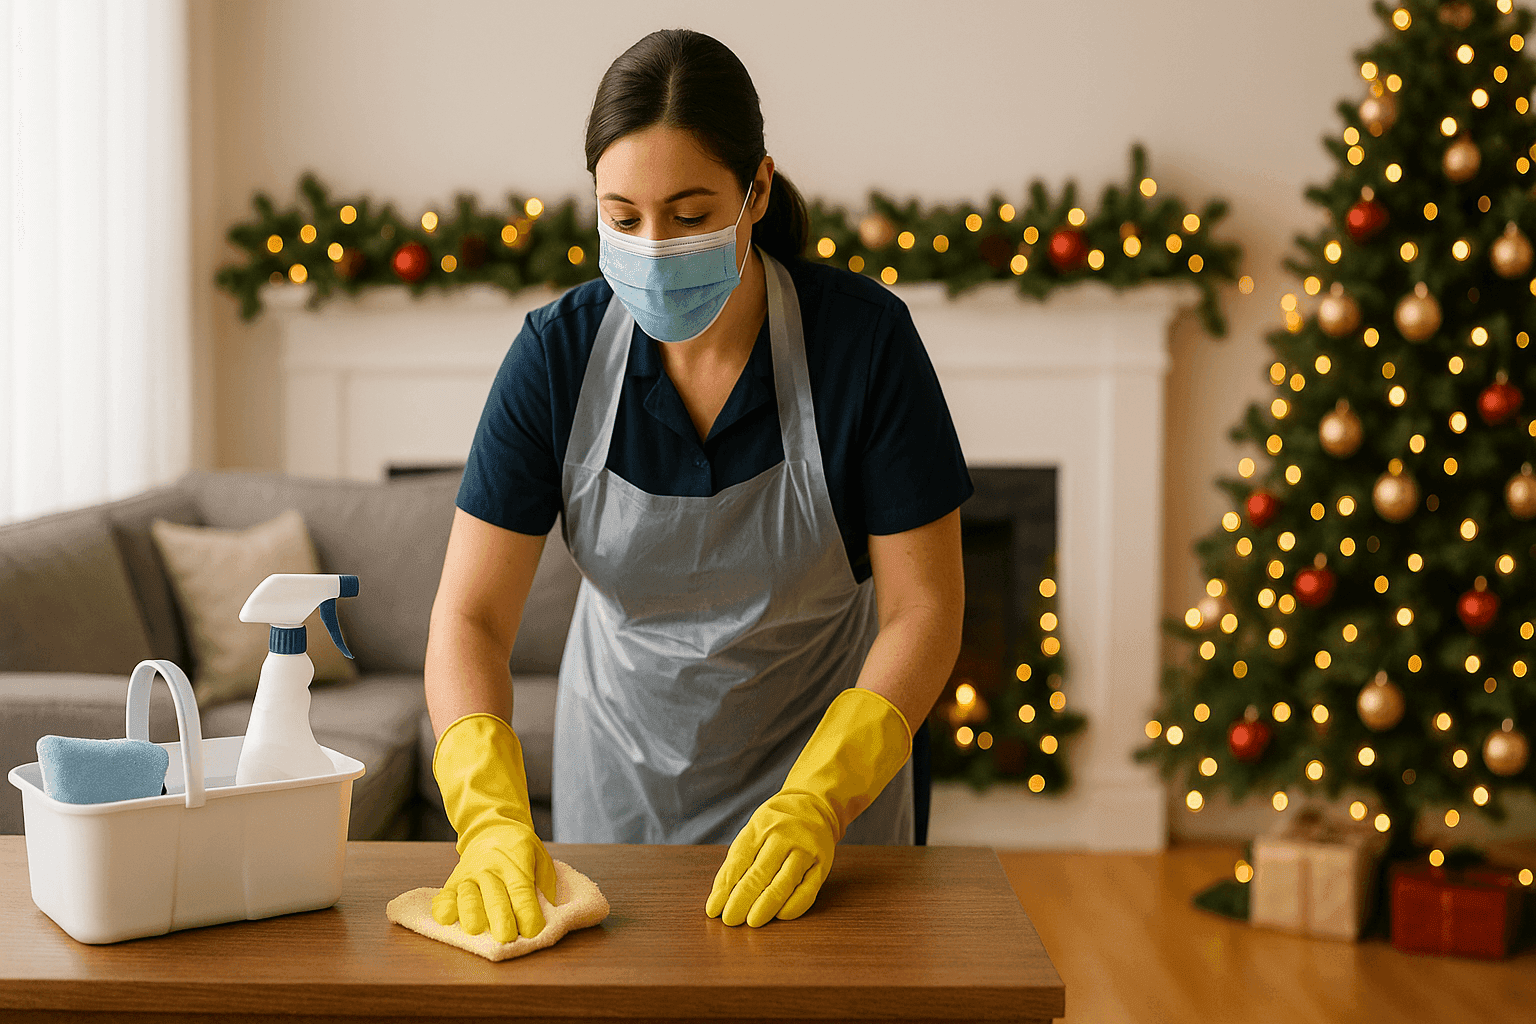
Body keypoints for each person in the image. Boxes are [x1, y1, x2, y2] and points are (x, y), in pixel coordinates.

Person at [423, 27, 972, 941]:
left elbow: (926, 611)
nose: (652, 248)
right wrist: (488, 818)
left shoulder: (862, 346)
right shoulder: (555, 359)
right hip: (619, 798)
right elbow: (469, 616)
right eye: (622, 216)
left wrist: (821, 802)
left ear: (756, 189)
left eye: (687, 215)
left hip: (826, 805)